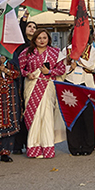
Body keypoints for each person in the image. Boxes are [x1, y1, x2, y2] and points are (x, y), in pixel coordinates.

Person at [18, 28, 68, 158]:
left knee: (46, 116)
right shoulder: (27, 52)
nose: (42, 40)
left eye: (44, 38)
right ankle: (34, 147)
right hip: (31, 85)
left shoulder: (55, 52)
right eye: (39, 38)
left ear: (48, 39)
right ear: (34, 39)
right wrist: (27, 74)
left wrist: (50, 72)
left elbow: (62, 69)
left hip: (48, 86)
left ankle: (47, 147)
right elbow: (20, 68)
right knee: (33, 116)